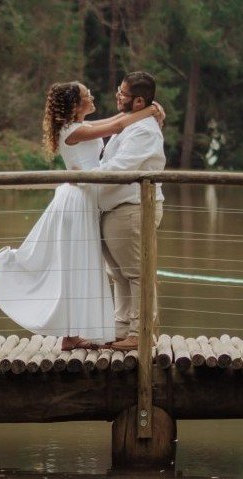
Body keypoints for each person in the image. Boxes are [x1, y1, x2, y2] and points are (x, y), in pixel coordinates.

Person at [0, 81, 162, 351]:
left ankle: (72, 334)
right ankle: (7, 267)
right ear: (76, 105)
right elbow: (117, 125)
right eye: (87, 95)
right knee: (76, 264)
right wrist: (151, 110)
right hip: (79, 198)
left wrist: (150, 109)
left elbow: (116, 120)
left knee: (78, 265)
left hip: (87, 197)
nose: (93, 96)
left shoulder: (79, 126)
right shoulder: (73, 130)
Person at [97, 72, 166, 352]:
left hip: (133, 208)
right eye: (119, 90)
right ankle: (122, 327)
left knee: (137, 272)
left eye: (123, 93)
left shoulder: (144, 130)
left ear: (139, 101)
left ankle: (140, 332)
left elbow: (120, 168)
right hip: (116, 208)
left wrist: (83, 179)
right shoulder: (130, 123)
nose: (118, 96)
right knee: (119, 273)